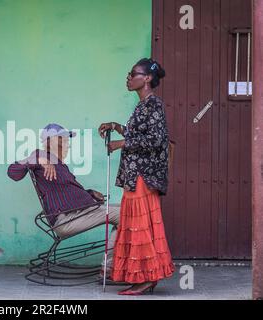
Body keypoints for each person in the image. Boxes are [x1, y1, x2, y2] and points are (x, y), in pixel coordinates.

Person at [98, 58, 175, 295]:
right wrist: (116, 126)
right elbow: (137, 132)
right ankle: (141, 276)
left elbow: (156, 140)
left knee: (142, 227)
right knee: (134, 226)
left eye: (133, 74)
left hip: (143, 175)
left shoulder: (154, 105)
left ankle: (148, 277)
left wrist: (122, 143)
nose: (129, 78)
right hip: (134, 176)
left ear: (147, 78)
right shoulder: (142, 106)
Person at [7, 123, 120, 281]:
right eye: (63, 141)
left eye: (67, 141)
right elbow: (13, 172)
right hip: (66, 220)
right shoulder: (40, 155)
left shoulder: (59, 165)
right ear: (50, 141)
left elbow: (66, 193)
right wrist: (39, 160)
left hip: (80, 212)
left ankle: (114, 265)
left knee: (126, 208)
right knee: (126, 214)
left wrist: (89, 194)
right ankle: (109, 269)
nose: (67, 145)